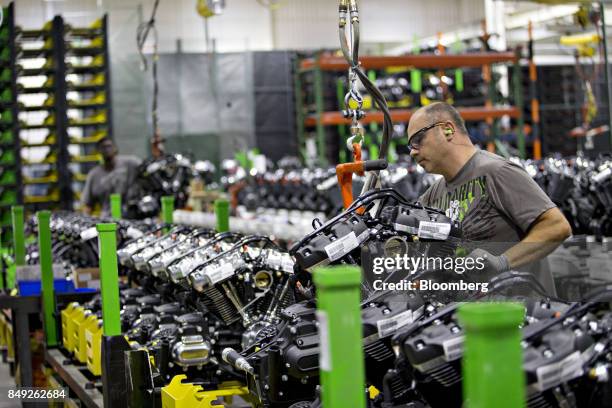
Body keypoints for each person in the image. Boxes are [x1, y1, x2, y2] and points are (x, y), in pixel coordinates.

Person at [407, 102, 572, 284]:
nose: (413, 152)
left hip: (517, 307)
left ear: (447, 130)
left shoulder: (497, 172)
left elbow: (557, 226)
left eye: (418, 139)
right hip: (469, 309)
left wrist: (502, 263)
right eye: (410, 146)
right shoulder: (432, 194)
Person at [81, 137, 142, 215]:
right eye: (103, 147)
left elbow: (148, 168)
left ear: (115, 148)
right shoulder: (94, 175)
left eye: (109, 146)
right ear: (98, 151)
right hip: (108, 219)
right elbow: (87, 205)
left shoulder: (131, 163)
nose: (107, 149)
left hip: (133, 216)